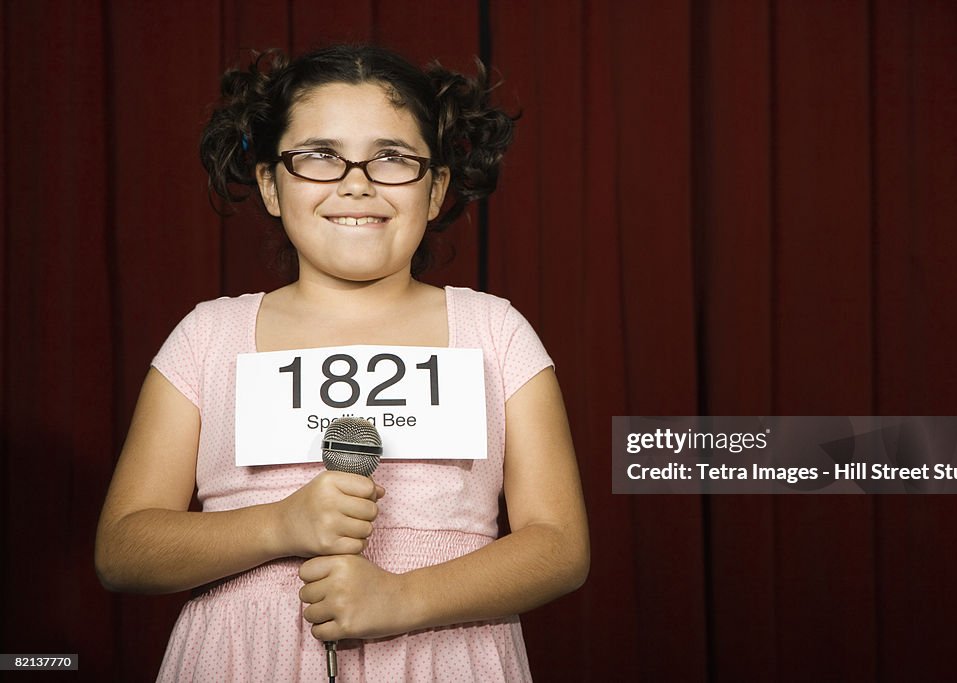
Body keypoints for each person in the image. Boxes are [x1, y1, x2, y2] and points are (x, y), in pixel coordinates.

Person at [94, 44, 589, 682]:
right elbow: (122, 550)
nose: (356, 182)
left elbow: (560, 547)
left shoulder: (495, 332)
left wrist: (403, 599)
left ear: (435, 188)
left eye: (391, 157)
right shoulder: (207, 338)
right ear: (271, 184)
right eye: (321, 156)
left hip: (442, 656)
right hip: (244, 659)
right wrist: (279, 523)